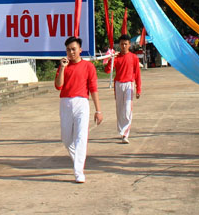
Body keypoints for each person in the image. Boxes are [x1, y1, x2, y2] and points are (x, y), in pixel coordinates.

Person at [55, 36, 103, 183]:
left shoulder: (88, 67)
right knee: (66, 139)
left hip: (82, 102)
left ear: (80, 50)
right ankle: (78, 161)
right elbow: (58, 86)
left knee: (81, 137)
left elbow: (93, 89)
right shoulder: (63, 66)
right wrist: (62, 68)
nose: (71, 52)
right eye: (68, 50)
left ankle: (78, 172)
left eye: (74, 49)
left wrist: (98, 110)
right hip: (65, 102)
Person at [112, 34, 142, 143]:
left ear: (129, 44)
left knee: (127, 110)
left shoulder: (133, 57)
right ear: (119, 45)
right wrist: (109, 60)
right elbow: (107, 71)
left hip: (129, 84)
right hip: (118, 84)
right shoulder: (116, 57)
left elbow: (137, 74)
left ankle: (125, 134)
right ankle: (121, 130)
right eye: (122, 44)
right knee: (120, 110)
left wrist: (139, 89)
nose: (124, 46)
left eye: (126, 44)